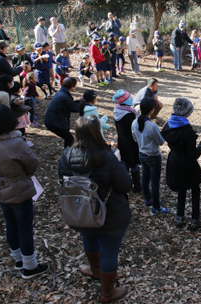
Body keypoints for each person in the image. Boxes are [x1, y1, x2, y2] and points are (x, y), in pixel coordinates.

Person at [58, 116, 132, 302]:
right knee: (109, 251)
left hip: (79, 211)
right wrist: (121, 163)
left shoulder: (66, 156)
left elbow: (62, 180)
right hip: (110, 214)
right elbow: (125, 185)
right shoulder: (107, 157)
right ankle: (108, 293)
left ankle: (94, 270)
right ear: (98, 132)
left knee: (88, 236)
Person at [0, 104, 47, 278]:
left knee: (10, 224)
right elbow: (32, 165)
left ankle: (18, 259)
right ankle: (30, 266)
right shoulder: (16, 143)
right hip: (18, 189)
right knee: (25, 228)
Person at [161, 98, 201, 230]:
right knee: (195, 189)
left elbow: (166, 135)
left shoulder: (168, 124)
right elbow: (192, 155)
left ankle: (179, 216)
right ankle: (195, 219)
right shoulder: (187, 131)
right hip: (187, 164)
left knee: (181, 189)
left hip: (174, 159)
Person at [131, 97, 168, 215]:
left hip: (141, 154)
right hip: (153, 156)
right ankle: (156, 207)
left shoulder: (134, 122)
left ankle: (148, 199)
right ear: (152, 110)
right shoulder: (152, 126)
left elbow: (134, 138)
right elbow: (161, 142)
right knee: (155, 181)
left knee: (145, 177)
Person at [112, 90, 141, 193]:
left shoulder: (117, 110)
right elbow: (133, 130)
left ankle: (123, 183)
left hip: (121, 140)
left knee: (124, 163)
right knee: (133, 164)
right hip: (130, 142)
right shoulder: (128, 115)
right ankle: (137, 186)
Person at [44, 77, 81, 148]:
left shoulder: (61, 92)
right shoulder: (64, 96)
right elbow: (75, 108)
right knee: (70, 138)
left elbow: (69, 104)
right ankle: (67, 155)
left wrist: (79, 101)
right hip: (54, 123)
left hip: (51, 120)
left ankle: (66, 153)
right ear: (72, 85)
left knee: (68, 138)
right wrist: (84, 103)